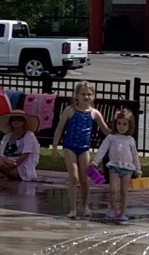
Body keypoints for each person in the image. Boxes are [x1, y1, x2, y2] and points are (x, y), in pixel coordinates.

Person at [57, 82, 106, 222]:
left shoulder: (94, 113)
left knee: (85, 179)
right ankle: (72, 208)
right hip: (69, 147)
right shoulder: (70, 110)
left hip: (84, 148)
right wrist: (55, 146)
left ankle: (85, 205)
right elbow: (60, 128)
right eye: (83, 94)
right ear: (76, 96)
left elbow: (105, 129)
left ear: (93, 96)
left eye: (89, 94)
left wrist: (120, 134)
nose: (86, 96)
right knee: (74, 177)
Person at [92, 106, 143, 223]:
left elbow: (135, 155)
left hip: (127, 168)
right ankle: (112, 209)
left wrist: (138, 169)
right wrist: (95, 161)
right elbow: (102, 149)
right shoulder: (111, 137)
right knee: (113, 189)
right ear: (115, 124)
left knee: (124, 191)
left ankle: (123, 212)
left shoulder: (130, 140)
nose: (121, 126)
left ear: (130, 125)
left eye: (125, 124)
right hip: (114, 166)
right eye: (119, 123)